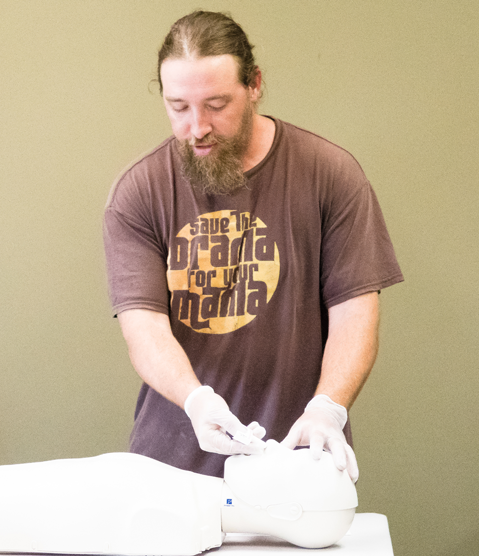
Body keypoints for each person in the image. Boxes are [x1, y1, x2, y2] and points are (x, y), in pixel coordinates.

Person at [103, 11, 403, 482]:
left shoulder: (330, 174)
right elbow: (144, 331)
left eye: (216, 104)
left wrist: (328, 409)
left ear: (255, 84)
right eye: (178, 107)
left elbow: (355, 313)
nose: (197, 126)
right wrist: (195, 399)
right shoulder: (139, 193)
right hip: (173, 470)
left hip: (297, 462)